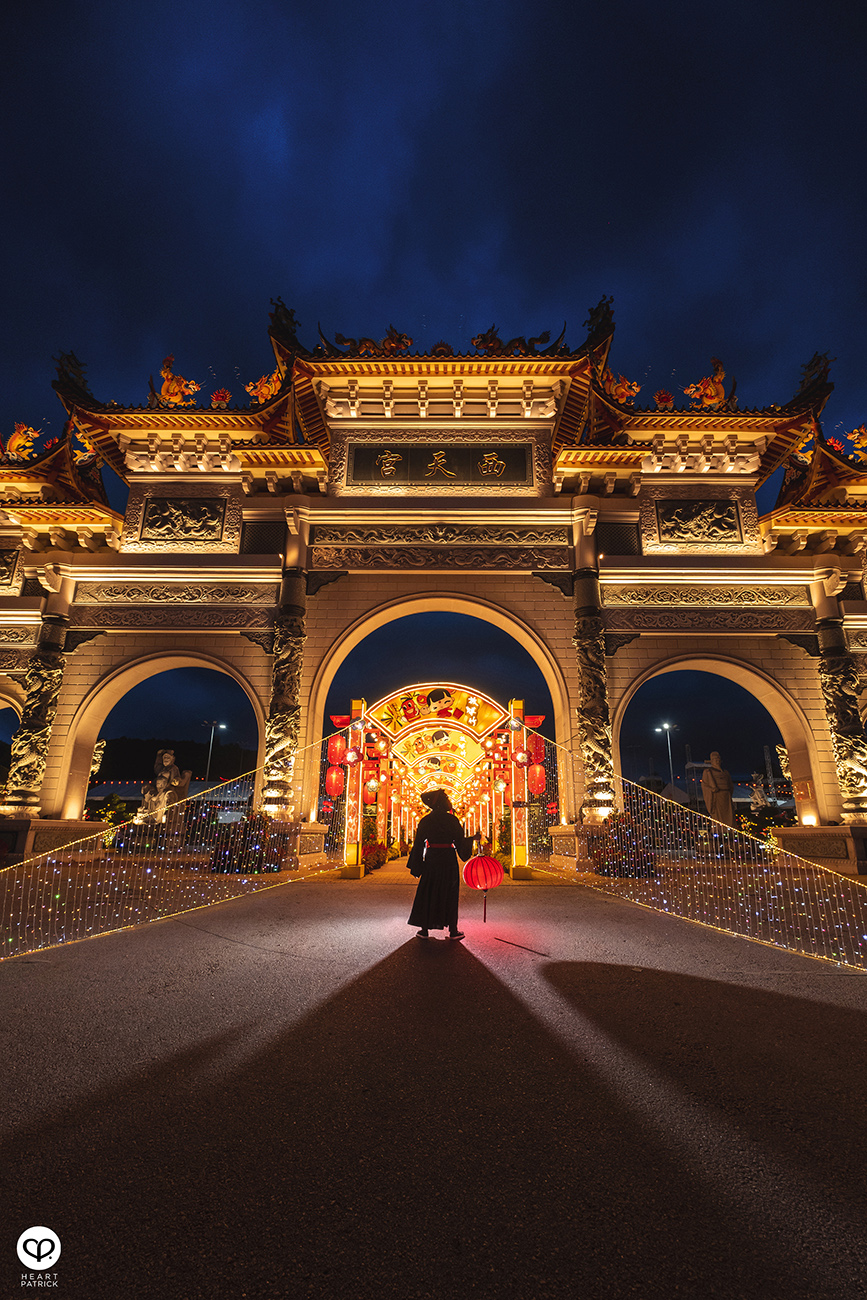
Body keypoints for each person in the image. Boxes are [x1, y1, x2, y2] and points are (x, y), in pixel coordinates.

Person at [407, 789, 477, 940]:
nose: (448, 800)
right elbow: (460, 843)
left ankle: (424, 930)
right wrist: (472, 839)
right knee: (450, 894)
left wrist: (417, 865)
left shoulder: (425, 820)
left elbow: (418, 844)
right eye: (445, 797)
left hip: (431, 860)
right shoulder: (452, 820)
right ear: (439, 802)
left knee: (428, 892)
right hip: (448, 860)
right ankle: (453, 930)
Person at [701, 751, 735, 826]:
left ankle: (730, 830)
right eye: (715, 759)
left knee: (729, 815)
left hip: (726, 797)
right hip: (716, 797)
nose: (717, 761)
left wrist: (728, 793)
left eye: (718, 759)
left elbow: (730, 785)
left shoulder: (725, 773)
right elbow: (704, 785)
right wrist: (711, 790)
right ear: (711, 761)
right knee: (718, 817)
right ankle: (719, 831)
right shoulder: (708, 772)